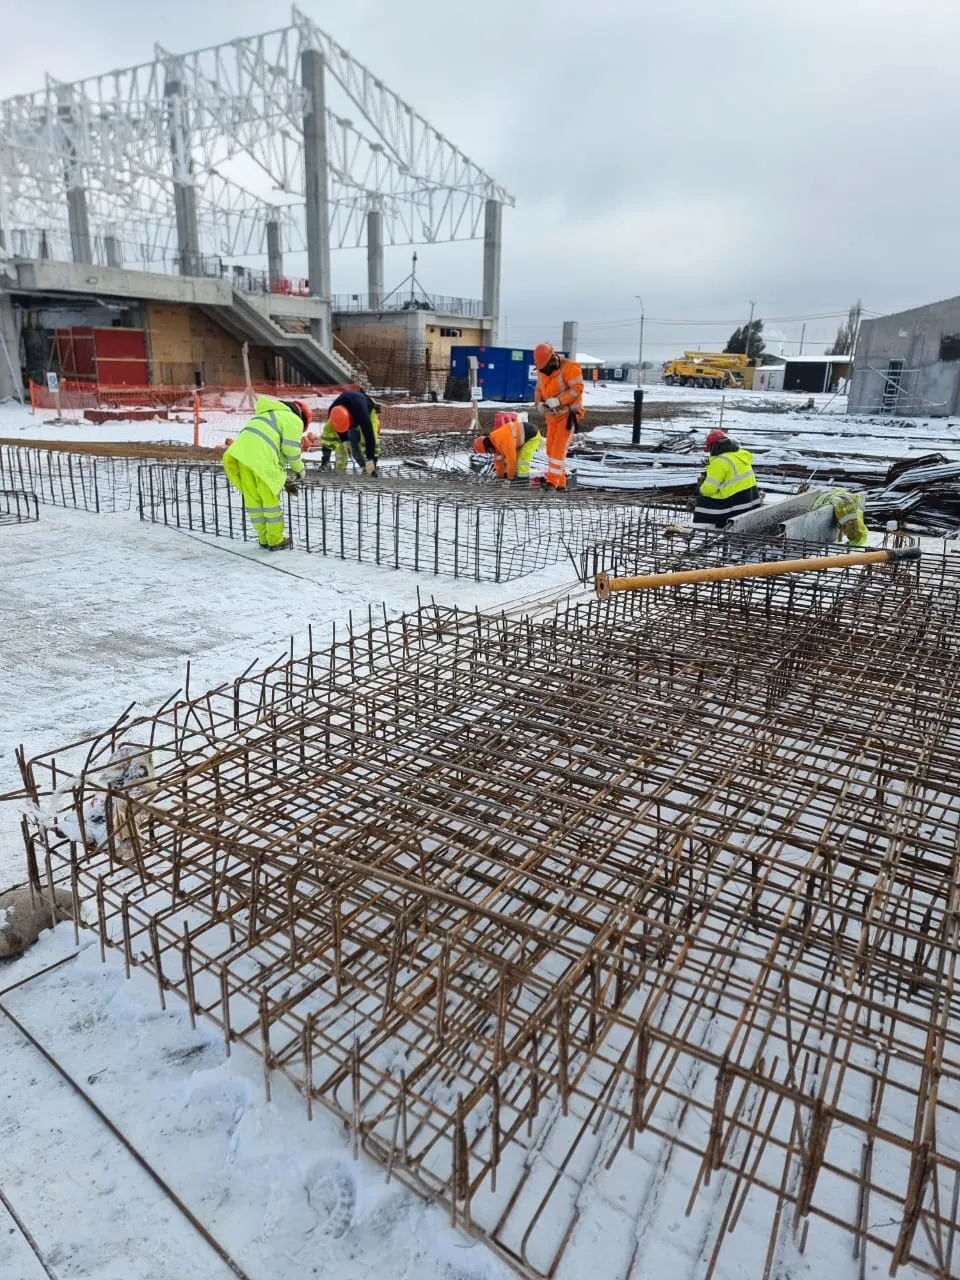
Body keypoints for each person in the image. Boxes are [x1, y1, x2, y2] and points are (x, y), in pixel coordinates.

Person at [222, 396, 308, 550]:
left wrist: (284, 478)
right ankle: (275, 540)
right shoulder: (293, 419)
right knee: (269, 501)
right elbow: (290, 450)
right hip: (262, 459)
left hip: (241, 458)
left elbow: (275, 449)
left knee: (254, 500)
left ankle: (263, 538)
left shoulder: (264, 415)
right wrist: (299, 469)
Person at [533, 343, 584, 490]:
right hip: (552, 417)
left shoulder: (570, 367)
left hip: (568, 415)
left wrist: (559, 401)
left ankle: (552, 482)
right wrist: (539, 403)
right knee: (550, 450)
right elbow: (538, 390)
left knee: (558, 450)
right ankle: (561, 484)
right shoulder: (541, 371)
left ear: (553, 359)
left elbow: (577, 389)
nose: (544, 370)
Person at [692, 429, 762, 528]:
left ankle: (710, 528)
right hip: (751, 501)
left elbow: (709, 490)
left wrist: (700, 488)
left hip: (736, 507)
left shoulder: (719, 461)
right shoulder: (739, 455)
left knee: (702, 501)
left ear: (713, 447)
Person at [323, 389, 381, 476]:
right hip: (350, 407)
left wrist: (370, 459)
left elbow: (369, 436)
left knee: (367, 439)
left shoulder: (361, 412)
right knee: (330, 431)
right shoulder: (333, 411)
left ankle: (371, 467)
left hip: (368, 409)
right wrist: (345, 440)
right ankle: (332, 465)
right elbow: (337, 427)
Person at [472, 412, 543, 481]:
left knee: (522, 459)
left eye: (489, 451)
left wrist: (510, 477)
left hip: (532, 436)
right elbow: (499, 463)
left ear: (488, 446)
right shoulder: (495, 444)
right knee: (513, 460)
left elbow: (511, 460)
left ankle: (523, 478)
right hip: (521, 438)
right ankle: (516, 476)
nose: (491, 453)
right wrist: (500, 477)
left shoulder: (503, 441)